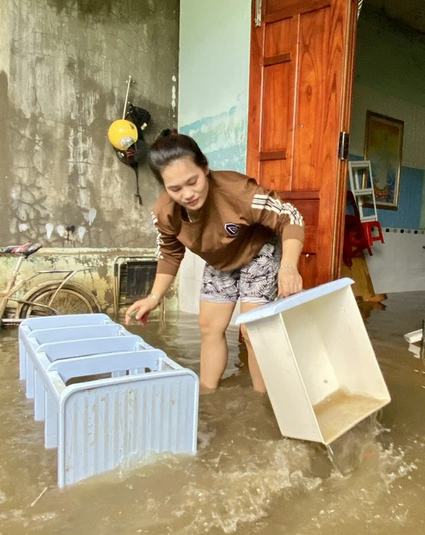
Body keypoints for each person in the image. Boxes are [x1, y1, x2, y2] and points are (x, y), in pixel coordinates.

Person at [124, 131, 304, 394]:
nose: (187, 194)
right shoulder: (164, 213)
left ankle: (262, 401)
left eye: (192, 181)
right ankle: (206, 395)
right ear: (165, 186)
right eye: (175, 188)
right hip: (220, 260)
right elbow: (170, 253)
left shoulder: (238, 192)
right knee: (209, 327)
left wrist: (288, 267)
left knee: (252, 331)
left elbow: (291, 217)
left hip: (258, 252)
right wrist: (153, 297)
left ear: (205, 168)